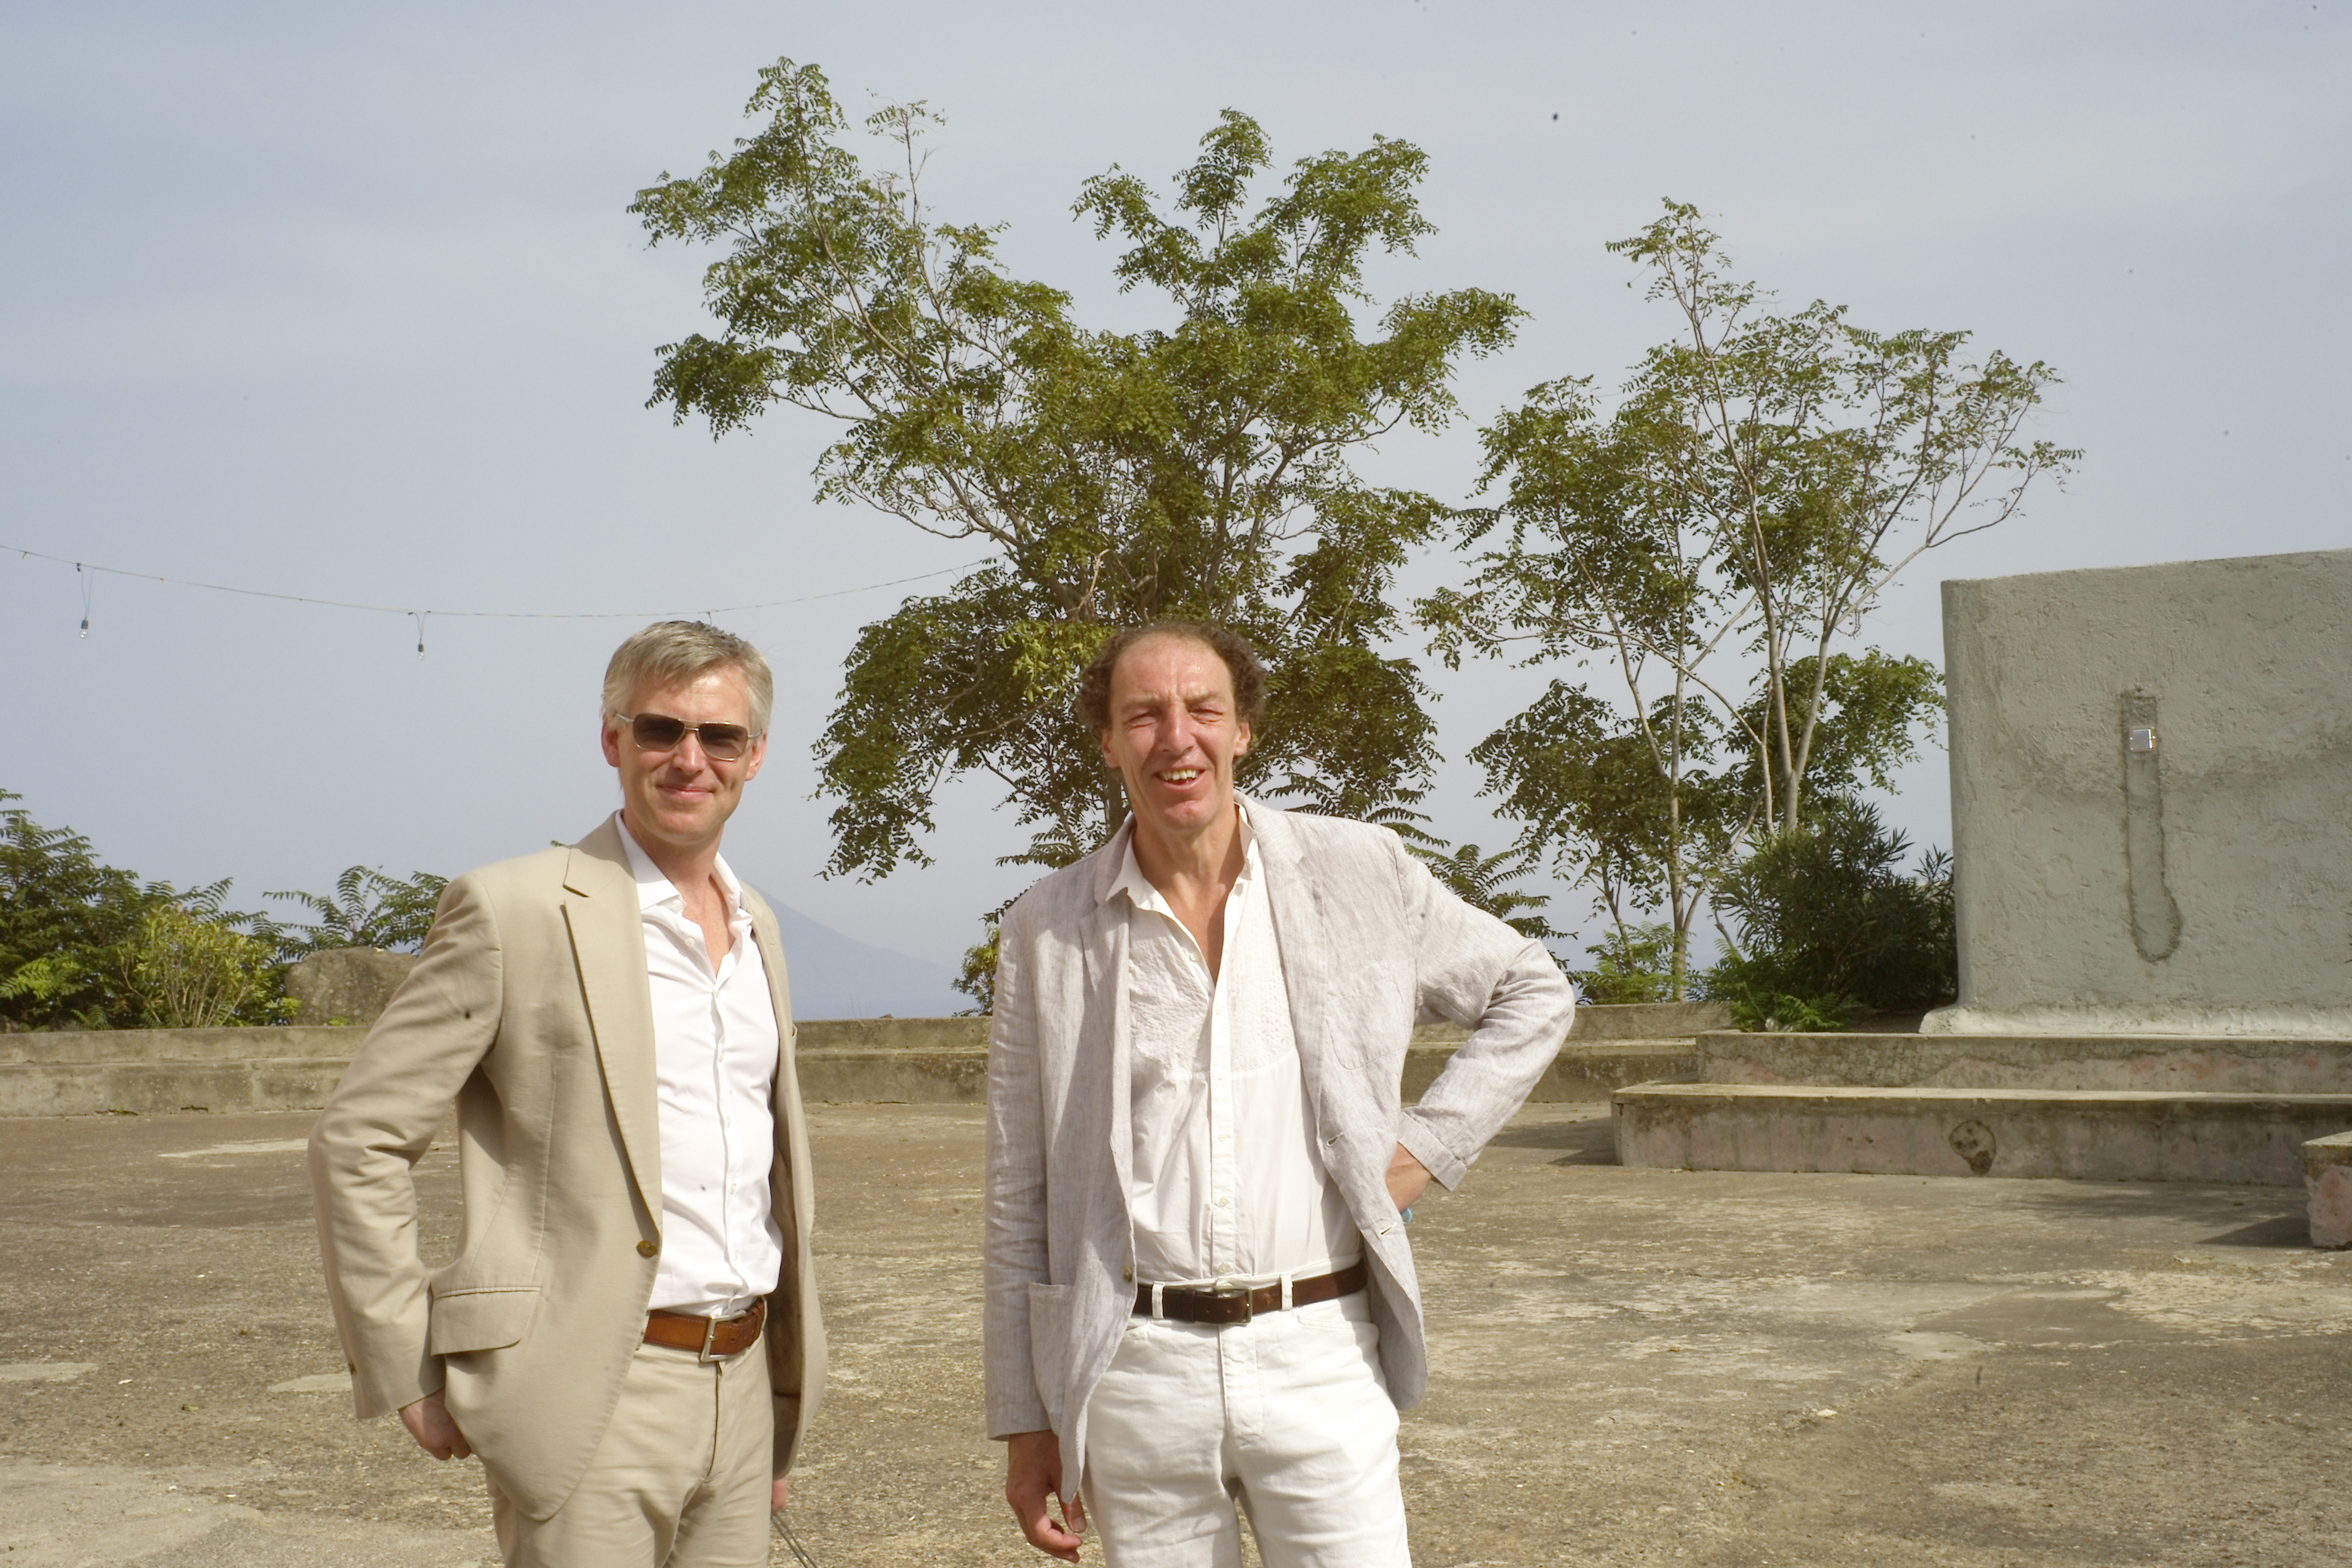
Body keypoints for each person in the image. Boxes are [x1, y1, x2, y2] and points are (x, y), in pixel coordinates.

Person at [983, 620, 1576, 1566]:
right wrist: (1026, 1421)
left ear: (1243, 730)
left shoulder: (1359, 870)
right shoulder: (1044, 930)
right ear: (1108, 743)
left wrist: (1423, 1150)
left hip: (1322, 1351)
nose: (1177, 737)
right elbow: (1021, 1192)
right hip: (1136, 1374)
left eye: (1202, 709)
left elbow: (1532, 990)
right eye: (1144, 715)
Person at [308, 620, 824, 1568]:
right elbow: (360, 1137)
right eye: (661, 729)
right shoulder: (514, 909)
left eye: (719, 736)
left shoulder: (759, 926)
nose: (689, 759)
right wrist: (402, 1361)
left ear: (755, 756)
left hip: (745, 1384)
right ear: (612, 739)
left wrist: (763, 1416)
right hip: (590, 1390)